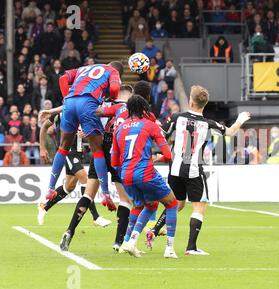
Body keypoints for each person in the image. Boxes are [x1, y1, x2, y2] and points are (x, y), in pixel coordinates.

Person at [148, 85, 251, 255]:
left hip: (175, 169)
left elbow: (160, 135)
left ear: (191, 101)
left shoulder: (176, 117)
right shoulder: (208, 124)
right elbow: (231, 132)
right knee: (199, 206)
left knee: (176, 203)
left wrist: (157, 146)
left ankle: (154, 229)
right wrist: (240, 119)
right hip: (194, 170)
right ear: (204, 104)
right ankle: (191, 247)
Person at [56, 85, 135, 252]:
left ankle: (69, 231)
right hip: (117, 152)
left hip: (99, 150)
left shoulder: (101, 104)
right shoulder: (126, 108)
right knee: (125, 199)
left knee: (88, 194)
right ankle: (118, 243)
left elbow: (89, 115)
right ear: (129, 95)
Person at [45, 61, 123, 211]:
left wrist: (66, 98)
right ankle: (105, 194)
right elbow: (114, 88)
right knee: (97, 149)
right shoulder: (112, 71)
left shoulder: (83, 68)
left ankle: (50, 188)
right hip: (88, 103)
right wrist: (110, 96)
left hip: (69, 103)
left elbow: (63, 79)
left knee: (63, 148)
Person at [111, 94, 178, 259]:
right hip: (145, 172)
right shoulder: (150, 125)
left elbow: (114, 161)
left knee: (148, 205)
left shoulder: (119, 128)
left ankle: (130, 242)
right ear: (143, 109)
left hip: (125, 175)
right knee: (172, 203)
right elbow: (168, 155)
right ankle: (169, 249)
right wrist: (157, 158)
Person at [37, 112, 109, 227]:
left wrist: (86, 133)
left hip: (78, 153)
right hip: (68, 152)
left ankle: (44, 207)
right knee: (85, 180)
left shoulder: (83, 112)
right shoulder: (59, 114)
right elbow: (44, 127)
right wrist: (42, 147)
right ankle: (96, 217)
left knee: (69, 186)